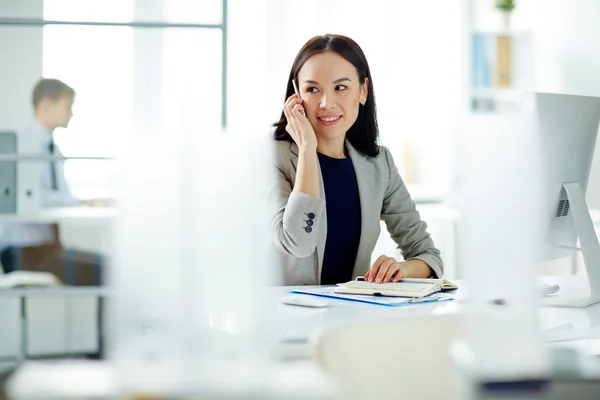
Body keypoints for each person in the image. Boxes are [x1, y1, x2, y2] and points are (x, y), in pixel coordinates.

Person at [270, 34, 443, 286]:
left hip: (350, 319)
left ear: (362, 91)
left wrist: (401, 269)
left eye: (340, 87)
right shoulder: (271, 158)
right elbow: (297, 243)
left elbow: (429, 256)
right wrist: (307, 148)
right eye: (312, 89)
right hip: (283, 321)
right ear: (296, 96)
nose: (326, 103)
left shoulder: (378, 163)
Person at [0, 78, 103, 285]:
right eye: (68, 106)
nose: (71, 113)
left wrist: (81, 201)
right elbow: (34, 198)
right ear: (46, 105)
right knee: (107, 273)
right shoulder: (21, 147)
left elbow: (59, 196)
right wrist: (77, 203)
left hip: (48, 249)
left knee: (111, 268)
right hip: (24, 252)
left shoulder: (53, 150)